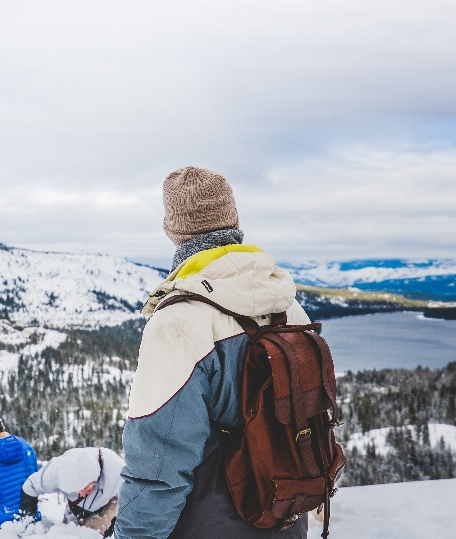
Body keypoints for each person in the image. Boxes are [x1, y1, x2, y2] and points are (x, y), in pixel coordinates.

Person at [114, 167, 310, 539]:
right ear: (233, 220)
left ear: (173, 230)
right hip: (285, 514)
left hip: (210, 521)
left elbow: (158, 464)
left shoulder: (179, 321)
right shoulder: (288, 306)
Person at [19, 447, 124, 535]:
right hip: (74, 509)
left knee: (93, 534)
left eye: (86, 488)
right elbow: (30, 487)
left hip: (107, 506)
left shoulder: (116, 470)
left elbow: (132, 500)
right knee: (68, 534)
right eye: (76, 491)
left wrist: (115, 524)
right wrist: (28, 521)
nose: (82, 493)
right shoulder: (56, 470)